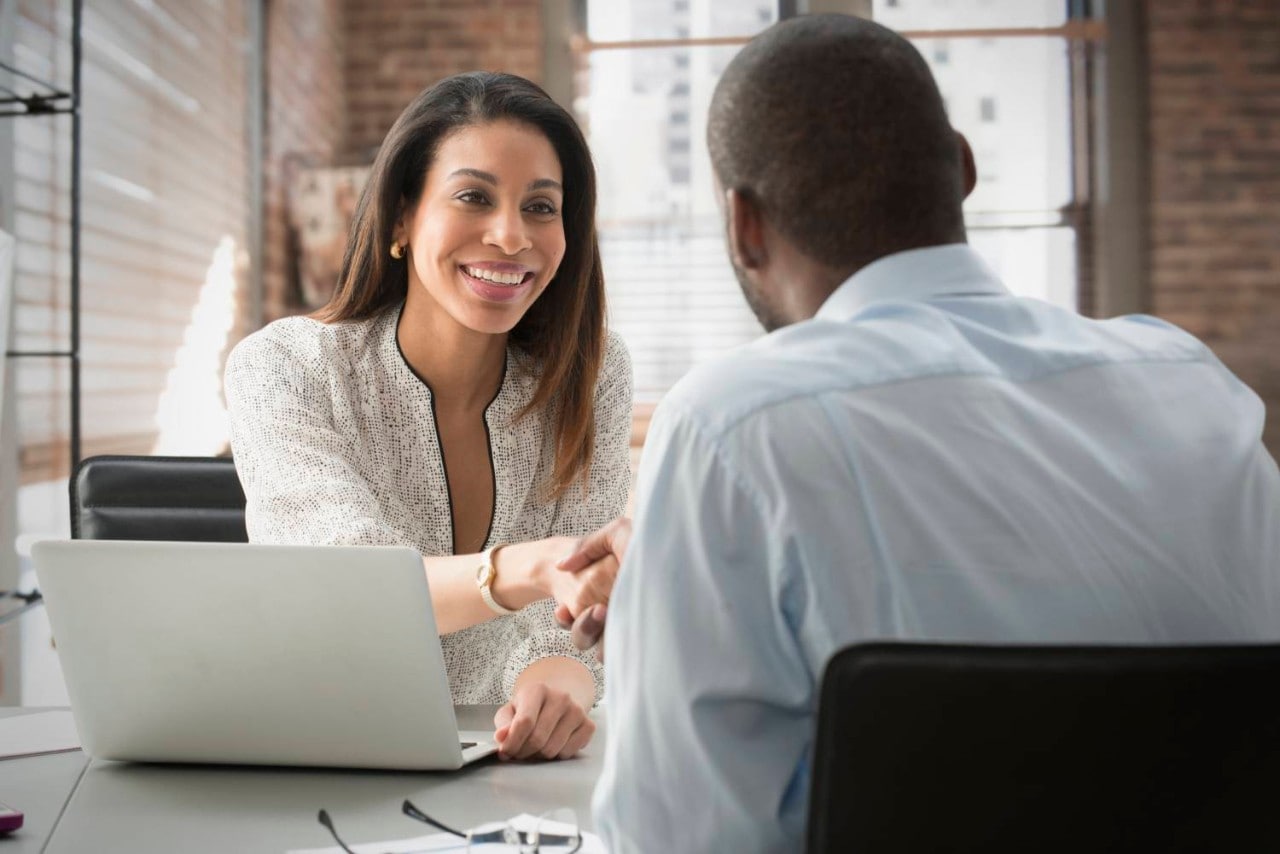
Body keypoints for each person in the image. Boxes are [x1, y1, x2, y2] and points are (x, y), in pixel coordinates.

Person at [574, 14, 1280, 852]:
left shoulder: (730, 427)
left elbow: (676, 840)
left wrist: (676, 605)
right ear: (964, 168)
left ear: (743, 224)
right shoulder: (1191, 383)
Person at [223, 72, 631, 762]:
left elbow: (571, 617)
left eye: (541, 207)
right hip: (312, 755)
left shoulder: (590, 377)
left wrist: (557, 682)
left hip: (504, 772)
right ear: (402, 219)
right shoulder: (284, 367)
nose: (510, 235)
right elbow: (349, 586)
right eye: (474, 196)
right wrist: (522, 568)